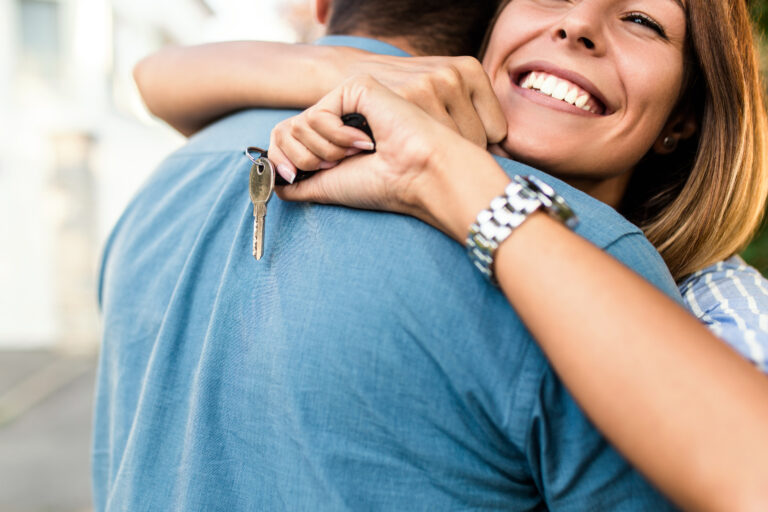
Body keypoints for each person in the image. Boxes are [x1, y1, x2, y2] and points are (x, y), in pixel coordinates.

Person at [95, 2, 762, 512]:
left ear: (684, 121)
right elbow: (158, 76)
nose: (577, 26)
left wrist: (445, 176)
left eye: (644, 19)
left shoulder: (722, 311)